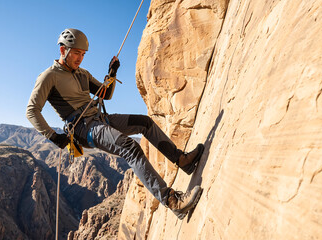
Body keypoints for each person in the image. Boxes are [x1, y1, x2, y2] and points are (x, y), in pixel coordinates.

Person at [26, 28, 205, 219]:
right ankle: (173, 201)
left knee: (144, 122)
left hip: (99, 119)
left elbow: (105, 94)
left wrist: (112, 72)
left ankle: (182, 160)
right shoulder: (49, 76)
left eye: (83, 54)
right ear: (63, 50)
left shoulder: (82, 73)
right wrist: (53, 136)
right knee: (130, 147)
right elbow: (32, 110)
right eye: (76, 53)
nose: (80, 58)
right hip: (83, 128)